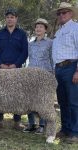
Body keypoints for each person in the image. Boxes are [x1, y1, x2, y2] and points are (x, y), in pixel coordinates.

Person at [0, 8, 28, 130]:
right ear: (5, 19)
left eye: (12, 17)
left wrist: (15, 64)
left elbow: (24, 52)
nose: (9, 19)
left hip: (16, 69)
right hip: (0, 69)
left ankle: (17, 121)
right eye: (8, 17)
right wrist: (0, 64)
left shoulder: (22, 34)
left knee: (17, 94)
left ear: (16, 19)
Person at [52, 2, 78, 143]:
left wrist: (77, 71)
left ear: (71, 13)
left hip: (71, 67)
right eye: (59, 13)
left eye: (65, 12)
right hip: (59, 69)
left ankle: (75, 132)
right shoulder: (58, 32)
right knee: (62, 101)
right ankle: (65, 129)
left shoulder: (76, 28)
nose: (61, 15)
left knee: (74, 102)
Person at [23, 18, 53, 134]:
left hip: (44, 75)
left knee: (42, 101)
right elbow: (29, 59)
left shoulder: (50, 43)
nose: (38, 29)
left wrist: (52, 74)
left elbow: (52, 59)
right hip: (31, 74)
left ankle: (42, 125)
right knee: (29, 99)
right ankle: (31, 124)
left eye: (41, 27)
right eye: (37, 27)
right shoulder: (30, 44)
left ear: (45, 29)